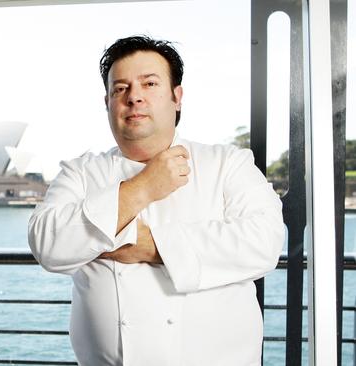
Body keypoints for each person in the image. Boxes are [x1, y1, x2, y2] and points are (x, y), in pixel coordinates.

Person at [27, 35, 285, 366]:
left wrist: (151, 246)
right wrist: (145, 187)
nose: (134, 97)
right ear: (107, 101)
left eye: (149, 83)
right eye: (120, 88)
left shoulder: (227, 163)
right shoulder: (80, 172)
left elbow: (264, 242)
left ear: (177, 97)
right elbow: (49, 245)